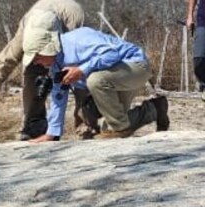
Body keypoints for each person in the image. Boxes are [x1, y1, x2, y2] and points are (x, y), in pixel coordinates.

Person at [0, 0, 85, 140]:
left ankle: (86, 124)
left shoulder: (74, 29)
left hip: (69, 19)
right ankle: (34, 125)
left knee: (75, 76)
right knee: (32, 72)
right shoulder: (24, 34)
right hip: (39, 15)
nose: (36, 61)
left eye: (38, 56)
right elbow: (4, 63)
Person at [23, 25, 169, 141]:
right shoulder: (55, 64)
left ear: (47, 49)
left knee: (95, 81)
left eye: (37, 57)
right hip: (114, 77)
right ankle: (155, 109)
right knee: (89, 115)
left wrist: (81, 70)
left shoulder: (78, 40)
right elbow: (58, 96)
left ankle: (120, 128)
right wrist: (52, 134)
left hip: (135, 66)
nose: (36, 63)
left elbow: (113, 54)